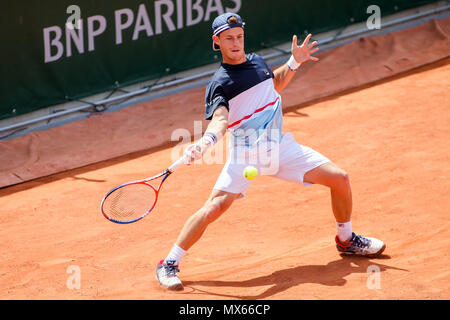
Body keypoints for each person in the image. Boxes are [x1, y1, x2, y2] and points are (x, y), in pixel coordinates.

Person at [156, 13, 386, 291]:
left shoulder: (257, 62)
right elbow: (220, 120)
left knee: (340, 178)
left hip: (280, 147)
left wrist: (293, 62)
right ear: (216, 41)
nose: (236, 42)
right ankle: (168, 263)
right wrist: (204, 143)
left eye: (239, 36)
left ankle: (346, 240)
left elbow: (273, 84)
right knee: (214, 208)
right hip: (246, 155)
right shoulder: (220, 83)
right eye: (229, 38)